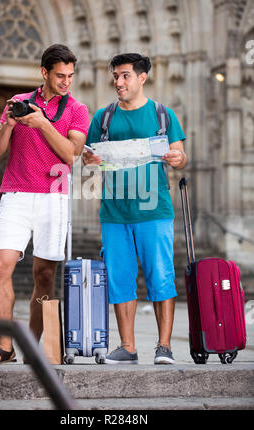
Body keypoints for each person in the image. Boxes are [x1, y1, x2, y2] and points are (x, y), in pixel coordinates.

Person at [0, 44, 90, 364]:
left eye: (70, 75)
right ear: (44, 72)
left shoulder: (77, 110)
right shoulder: (19, 102)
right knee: (0, 265)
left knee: (44, 275)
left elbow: (70, 154)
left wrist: (42, 123)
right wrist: (9, 124)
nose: (66, 81)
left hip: (54, 197)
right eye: (60, 75)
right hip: (16, 193)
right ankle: (6, 346)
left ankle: (31, 344)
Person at [83, 53, 187, 365]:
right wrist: (89, 160)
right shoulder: (103, 117)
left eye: (125, 76)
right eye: (115, 76)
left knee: (161, 275)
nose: (118, 82)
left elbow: (181, 155)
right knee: (119, 278)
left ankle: (164, 346)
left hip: (154, 210)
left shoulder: (162, 115)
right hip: (114, 213)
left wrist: (176, 158)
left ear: (142, 77)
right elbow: (88, 157)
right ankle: (127, 347)